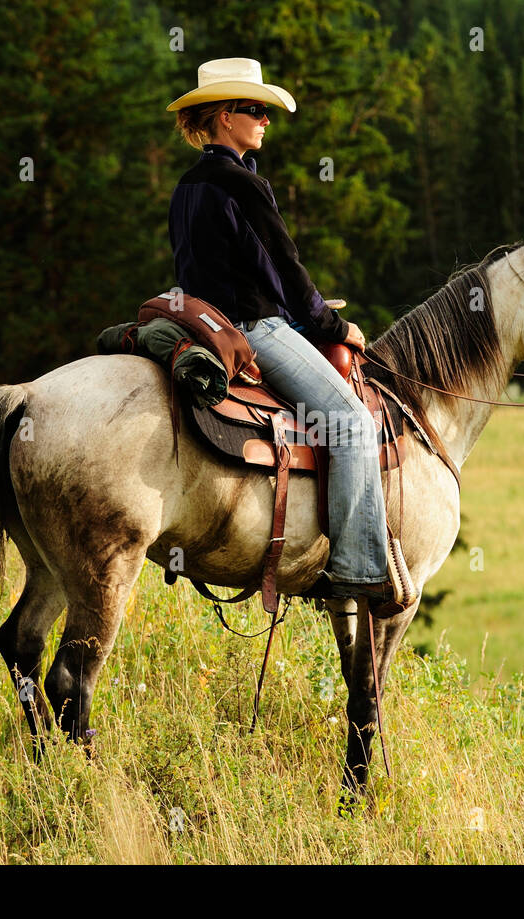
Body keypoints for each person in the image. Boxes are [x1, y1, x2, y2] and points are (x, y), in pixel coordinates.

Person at [166, 57, 410, 614]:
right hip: (253, 329)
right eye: (255, 110)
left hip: (201, 322)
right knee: (349, 420)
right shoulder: (242, 183)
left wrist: (298, 305)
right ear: (225, 117)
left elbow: (238, 265)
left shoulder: (187, 185)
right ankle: (357, 569)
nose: (265, 120)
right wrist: (330, 323)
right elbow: (286, 263)